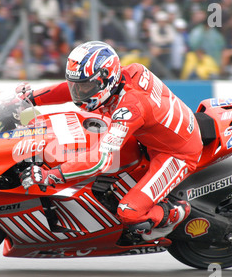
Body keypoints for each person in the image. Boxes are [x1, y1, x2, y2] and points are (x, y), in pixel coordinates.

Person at [19, 41, 203, 242]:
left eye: (85, 87)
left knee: (129, 213)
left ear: (105, 80)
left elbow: (101, 160)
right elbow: (68, 90)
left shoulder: (130, 107)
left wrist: (52, 175)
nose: (78, 94)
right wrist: (30, 98)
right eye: (77, 85)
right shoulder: (119, 78)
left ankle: (176, 211)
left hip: (176, 153)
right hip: (149, 133)